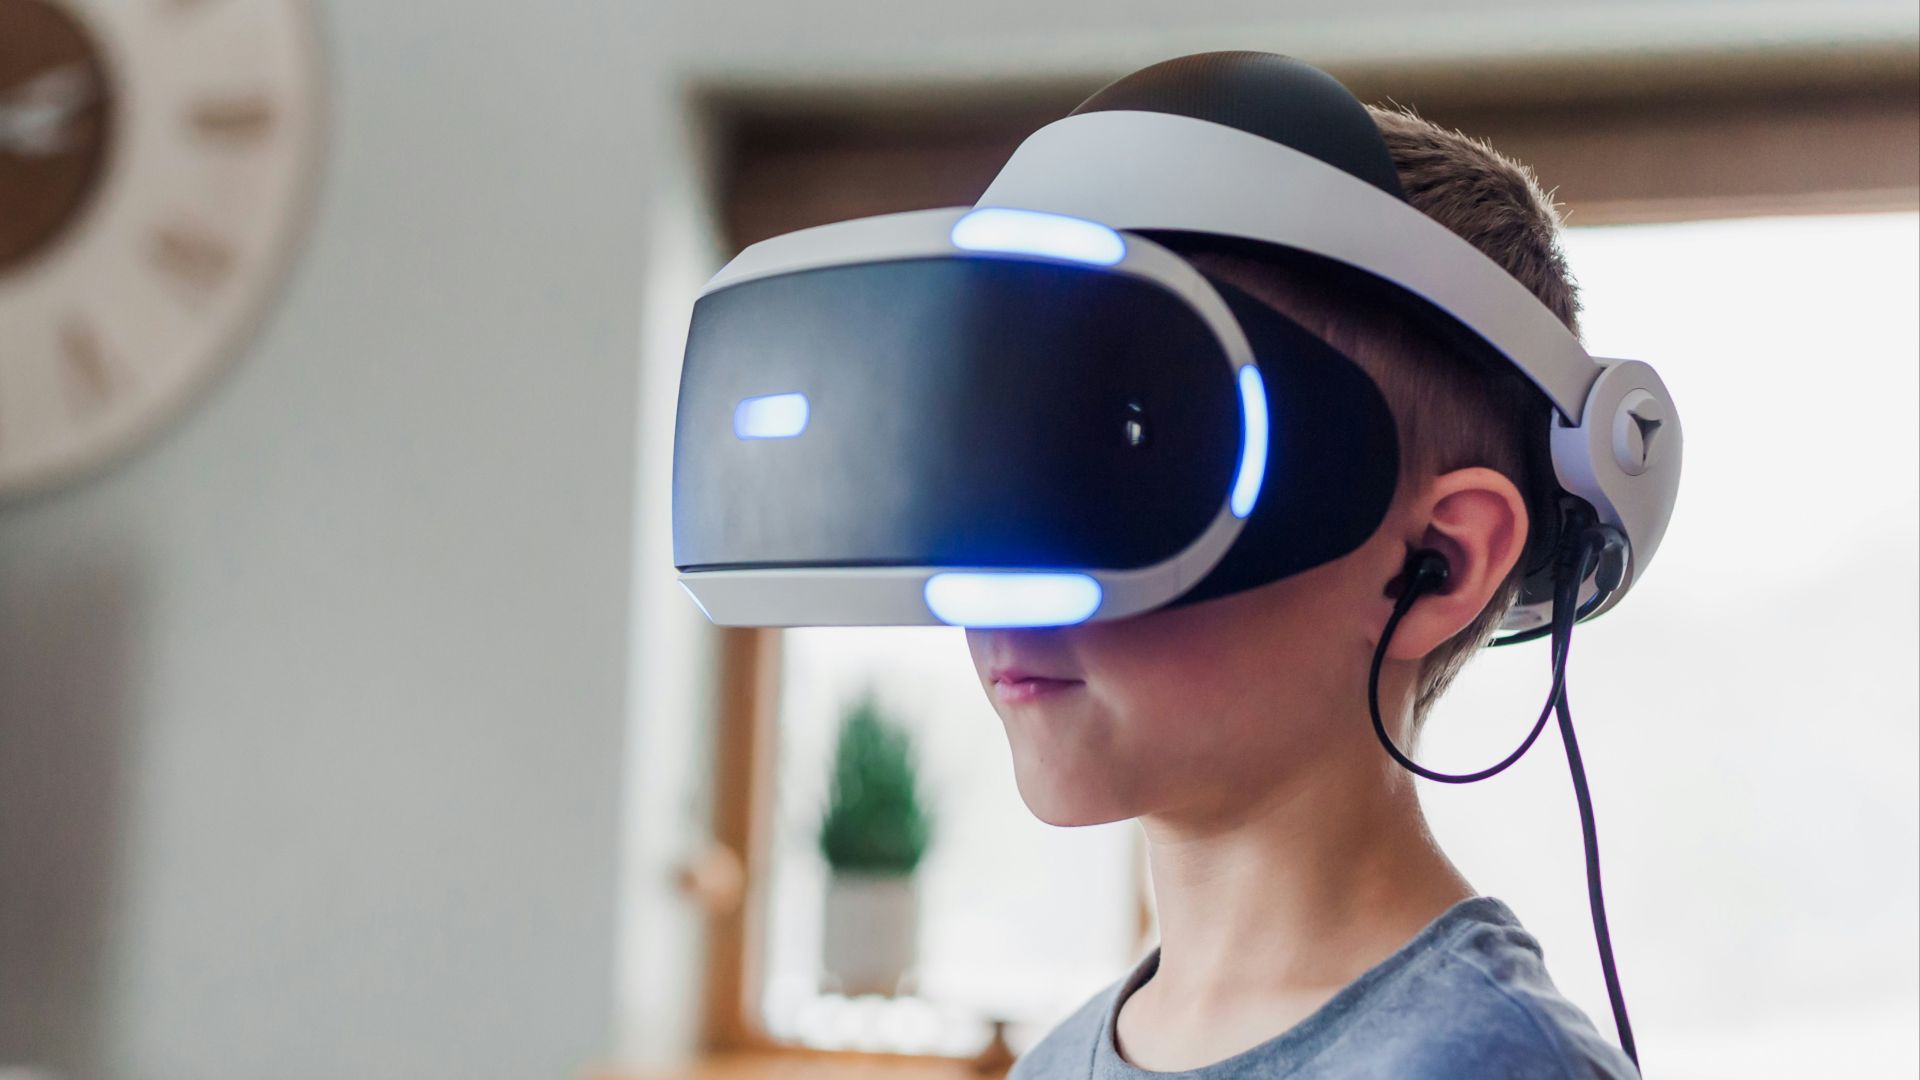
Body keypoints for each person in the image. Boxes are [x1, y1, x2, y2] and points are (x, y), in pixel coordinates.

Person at [967, 99, 1641, 1079]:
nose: (1004, 565)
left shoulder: (1496, 1066)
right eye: (1000, 469)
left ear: (1437, 566)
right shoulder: (1058, 1062)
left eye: (1127, 458)